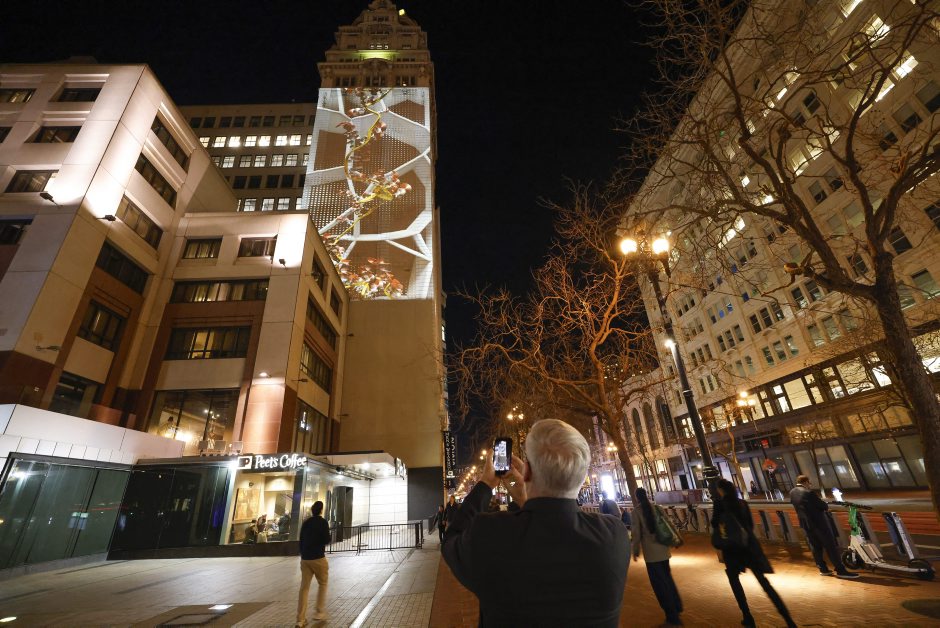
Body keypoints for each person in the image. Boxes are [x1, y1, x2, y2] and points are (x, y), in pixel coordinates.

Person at [442, 419, 629, 627]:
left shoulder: (492, 534)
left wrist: (486, 484)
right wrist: (525, 499)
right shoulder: (614, 536)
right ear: (582, 474)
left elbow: (451, 541)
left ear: (527, 472)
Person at [712, 479, 796, 628]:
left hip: (732, 549)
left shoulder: (719, 504)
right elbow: (750, 526)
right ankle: (788, 619)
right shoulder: (742, 503)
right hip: (750, 547)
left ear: (720, 490)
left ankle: (747, 616)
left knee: (734, 581)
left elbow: (715, 524)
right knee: (765, 583)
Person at [631, 487, 683, 626]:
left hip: (651, 555)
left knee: (660, 586)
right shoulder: (657, 508)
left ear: (637, 498)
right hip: (664, 551)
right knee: (668, 580)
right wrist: (677, 538)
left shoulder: (636, 512)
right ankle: (677, 607)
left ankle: (672, 617)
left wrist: (635, 550)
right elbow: (669, 524)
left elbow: (636, 534)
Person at [790, 475, 859, 578]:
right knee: (831, 547)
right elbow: (823, 506)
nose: (810, 485)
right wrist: (823, 503)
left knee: (816, 547)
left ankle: (823, 569)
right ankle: (840, 570)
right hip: (819, 524)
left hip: (806, 524)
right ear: (806, 482)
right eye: (809, 483)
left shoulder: (792, 492)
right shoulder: (809, 493)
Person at [296, 501, 331, 627]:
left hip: (305, 559)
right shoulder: (323, 522)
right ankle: (319, 612)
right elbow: (326, 539)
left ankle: (300, 620)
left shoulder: (306, 522)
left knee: (304, 588)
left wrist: (303, 554)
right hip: (318, 558)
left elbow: (301, 540)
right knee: (323, 583)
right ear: (321, 510)